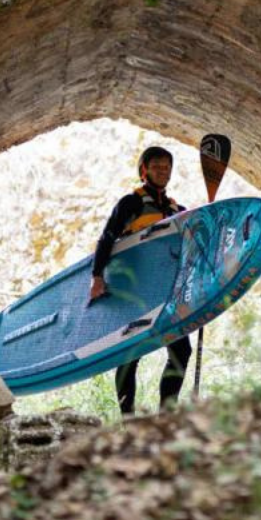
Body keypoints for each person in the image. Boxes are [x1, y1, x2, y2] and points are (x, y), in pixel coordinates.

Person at [89, 146, 192, 415]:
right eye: (157, 165)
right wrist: (97, 277)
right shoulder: (130, 203)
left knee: (182, 352)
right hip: (136, 292)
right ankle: (128, 420)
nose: (163, 171)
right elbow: (107, 239)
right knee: (130, 356)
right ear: (144, 170)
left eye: (167, 166)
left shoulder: (178, 210)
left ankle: (166, 414)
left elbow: (192, 246)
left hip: (169, 293)